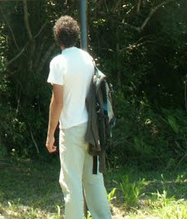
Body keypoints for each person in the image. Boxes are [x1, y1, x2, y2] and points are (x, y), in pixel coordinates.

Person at [45, 15, 111, 219]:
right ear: (75, 35)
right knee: (93, 179)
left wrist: (50, 134)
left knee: (71, 183)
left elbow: (58, 102)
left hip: (71, 128)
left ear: (58, 38)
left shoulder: (59, 62)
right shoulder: (87, 58)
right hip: (92, 127)